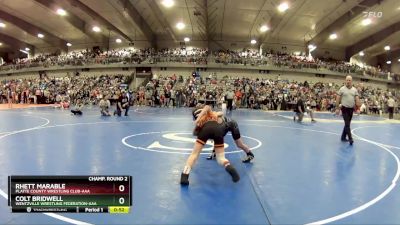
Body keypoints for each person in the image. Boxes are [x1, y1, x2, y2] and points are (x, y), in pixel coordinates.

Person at [181, 105, 240, 185]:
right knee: (221, 159)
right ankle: (229, 167)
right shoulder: (210, 114)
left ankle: (184, 176)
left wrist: (198, 119)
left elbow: (206, 108)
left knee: (194, 154)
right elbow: (210, 109)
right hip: (218, 129)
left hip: (205, 129)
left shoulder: (201, 119)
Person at [335, 75, 360, 145]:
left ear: (351, 81)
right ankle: (350, 138)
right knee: (347, 124)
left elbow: (357, 99)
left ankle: (343, 137)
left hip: (351, 109)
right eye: (347, 80)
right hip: (344, 109)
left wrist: (358, 108)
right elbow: (337, 98)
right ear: (345, 81)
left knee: (347, 124)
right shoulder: (342, 89)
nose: (348, 81)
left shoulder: (355, 90)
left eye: (349, 80)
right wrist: (337, 108)